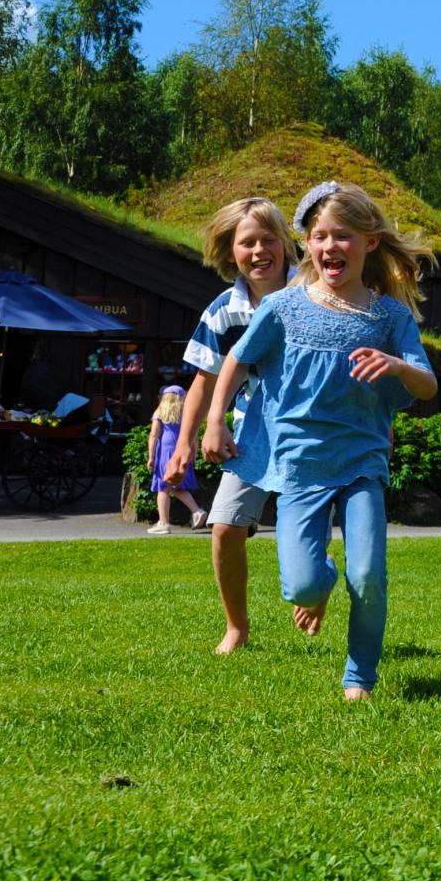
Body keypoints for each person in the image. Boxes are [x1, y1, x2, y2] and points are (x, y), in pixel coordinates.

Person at [203, 182, 438, 700]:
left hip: (362, 463)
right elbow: (237, 360)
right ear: (305, 243)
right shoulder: (284, 307)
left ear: (371, 242)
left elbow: (427, 383)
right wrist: (216, 418)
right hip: (299, 466)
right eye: (320, 236)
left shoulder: (390, 317)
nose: (331, 246)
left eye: (345, 236)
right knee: (303, 585)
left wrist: (398, 364)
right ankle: (320, 579)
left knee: (369, 573)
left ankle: (360, 676)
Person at [176, 196, 296, 654]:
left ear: (286, 244)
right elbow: (203, 382)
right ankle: (236, 628)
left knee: (299, 530)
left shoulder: (313, 293)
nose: (260, 250)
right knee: (225, 526)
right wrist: (188, 441)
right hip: (250, 435)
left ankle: (310, 582)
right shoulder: (223, 311)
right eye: (248, 242)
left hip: (309, 433)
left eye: (270, 240)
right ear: (230, 252)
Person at [146, 384, 207, 534]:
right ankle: (196, 511)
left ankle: (164, 523)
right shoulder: (186, 413)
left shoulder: (160, 412)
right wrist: (194, 453)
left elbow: (153, 435)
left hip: (165, 452)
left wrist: (151, 457)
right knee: (175, 486)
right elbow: (194, 437)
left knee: (163, 487)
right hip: (181, 449)